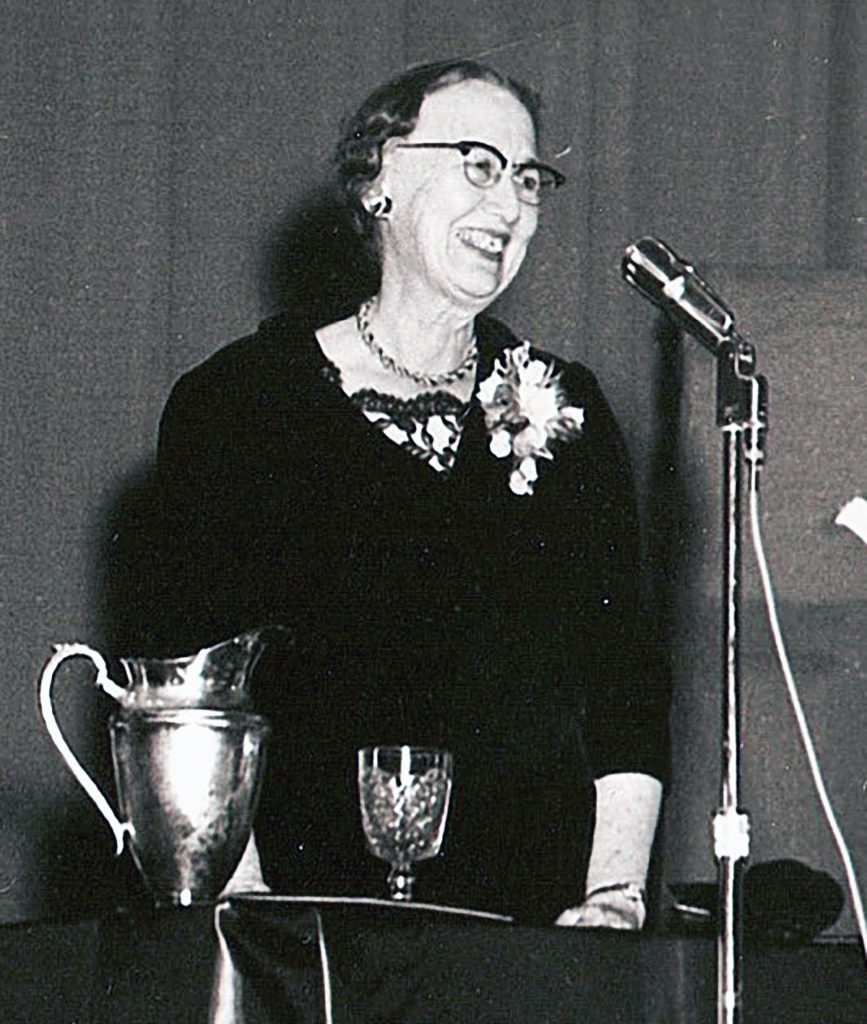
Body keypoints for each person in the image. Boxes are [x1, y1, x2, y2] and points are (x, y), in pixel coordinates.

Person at [152, 59, 669, 927]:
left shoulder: (568, 409)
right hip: (308, 940)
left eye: (529, 179)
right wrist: (246, 923)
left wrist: (610, 905)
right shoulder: (240, 405)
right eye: (478, 162)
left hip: (527, 943)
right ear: (379, 179)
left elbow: (626, 692)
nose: (508, 206)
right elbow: (192, 696)